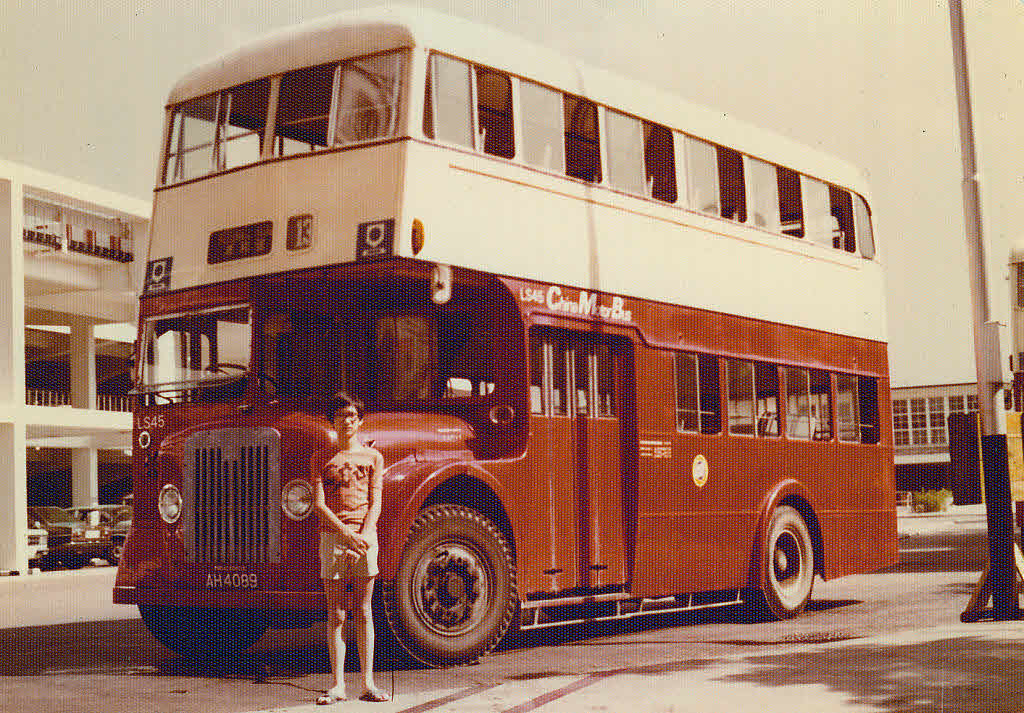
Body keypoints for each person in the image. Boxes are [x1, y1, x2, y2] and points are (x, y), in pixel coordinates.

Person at [312, 392, 389, 704]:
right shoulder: (321, 457)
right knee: (336, 614)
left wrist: (366, 534)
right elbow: (318, 504)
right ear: (333, 422)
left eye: (352, 416)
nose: (347, 422)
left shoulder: (374, 458)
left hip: (364, 539)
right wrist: (345, 535)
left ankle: (368, 682)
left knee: (364, 610)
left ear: (360, 421)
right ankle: (338, 685)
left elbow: (376, 501)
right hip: (333, 539)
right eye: (341, 416)